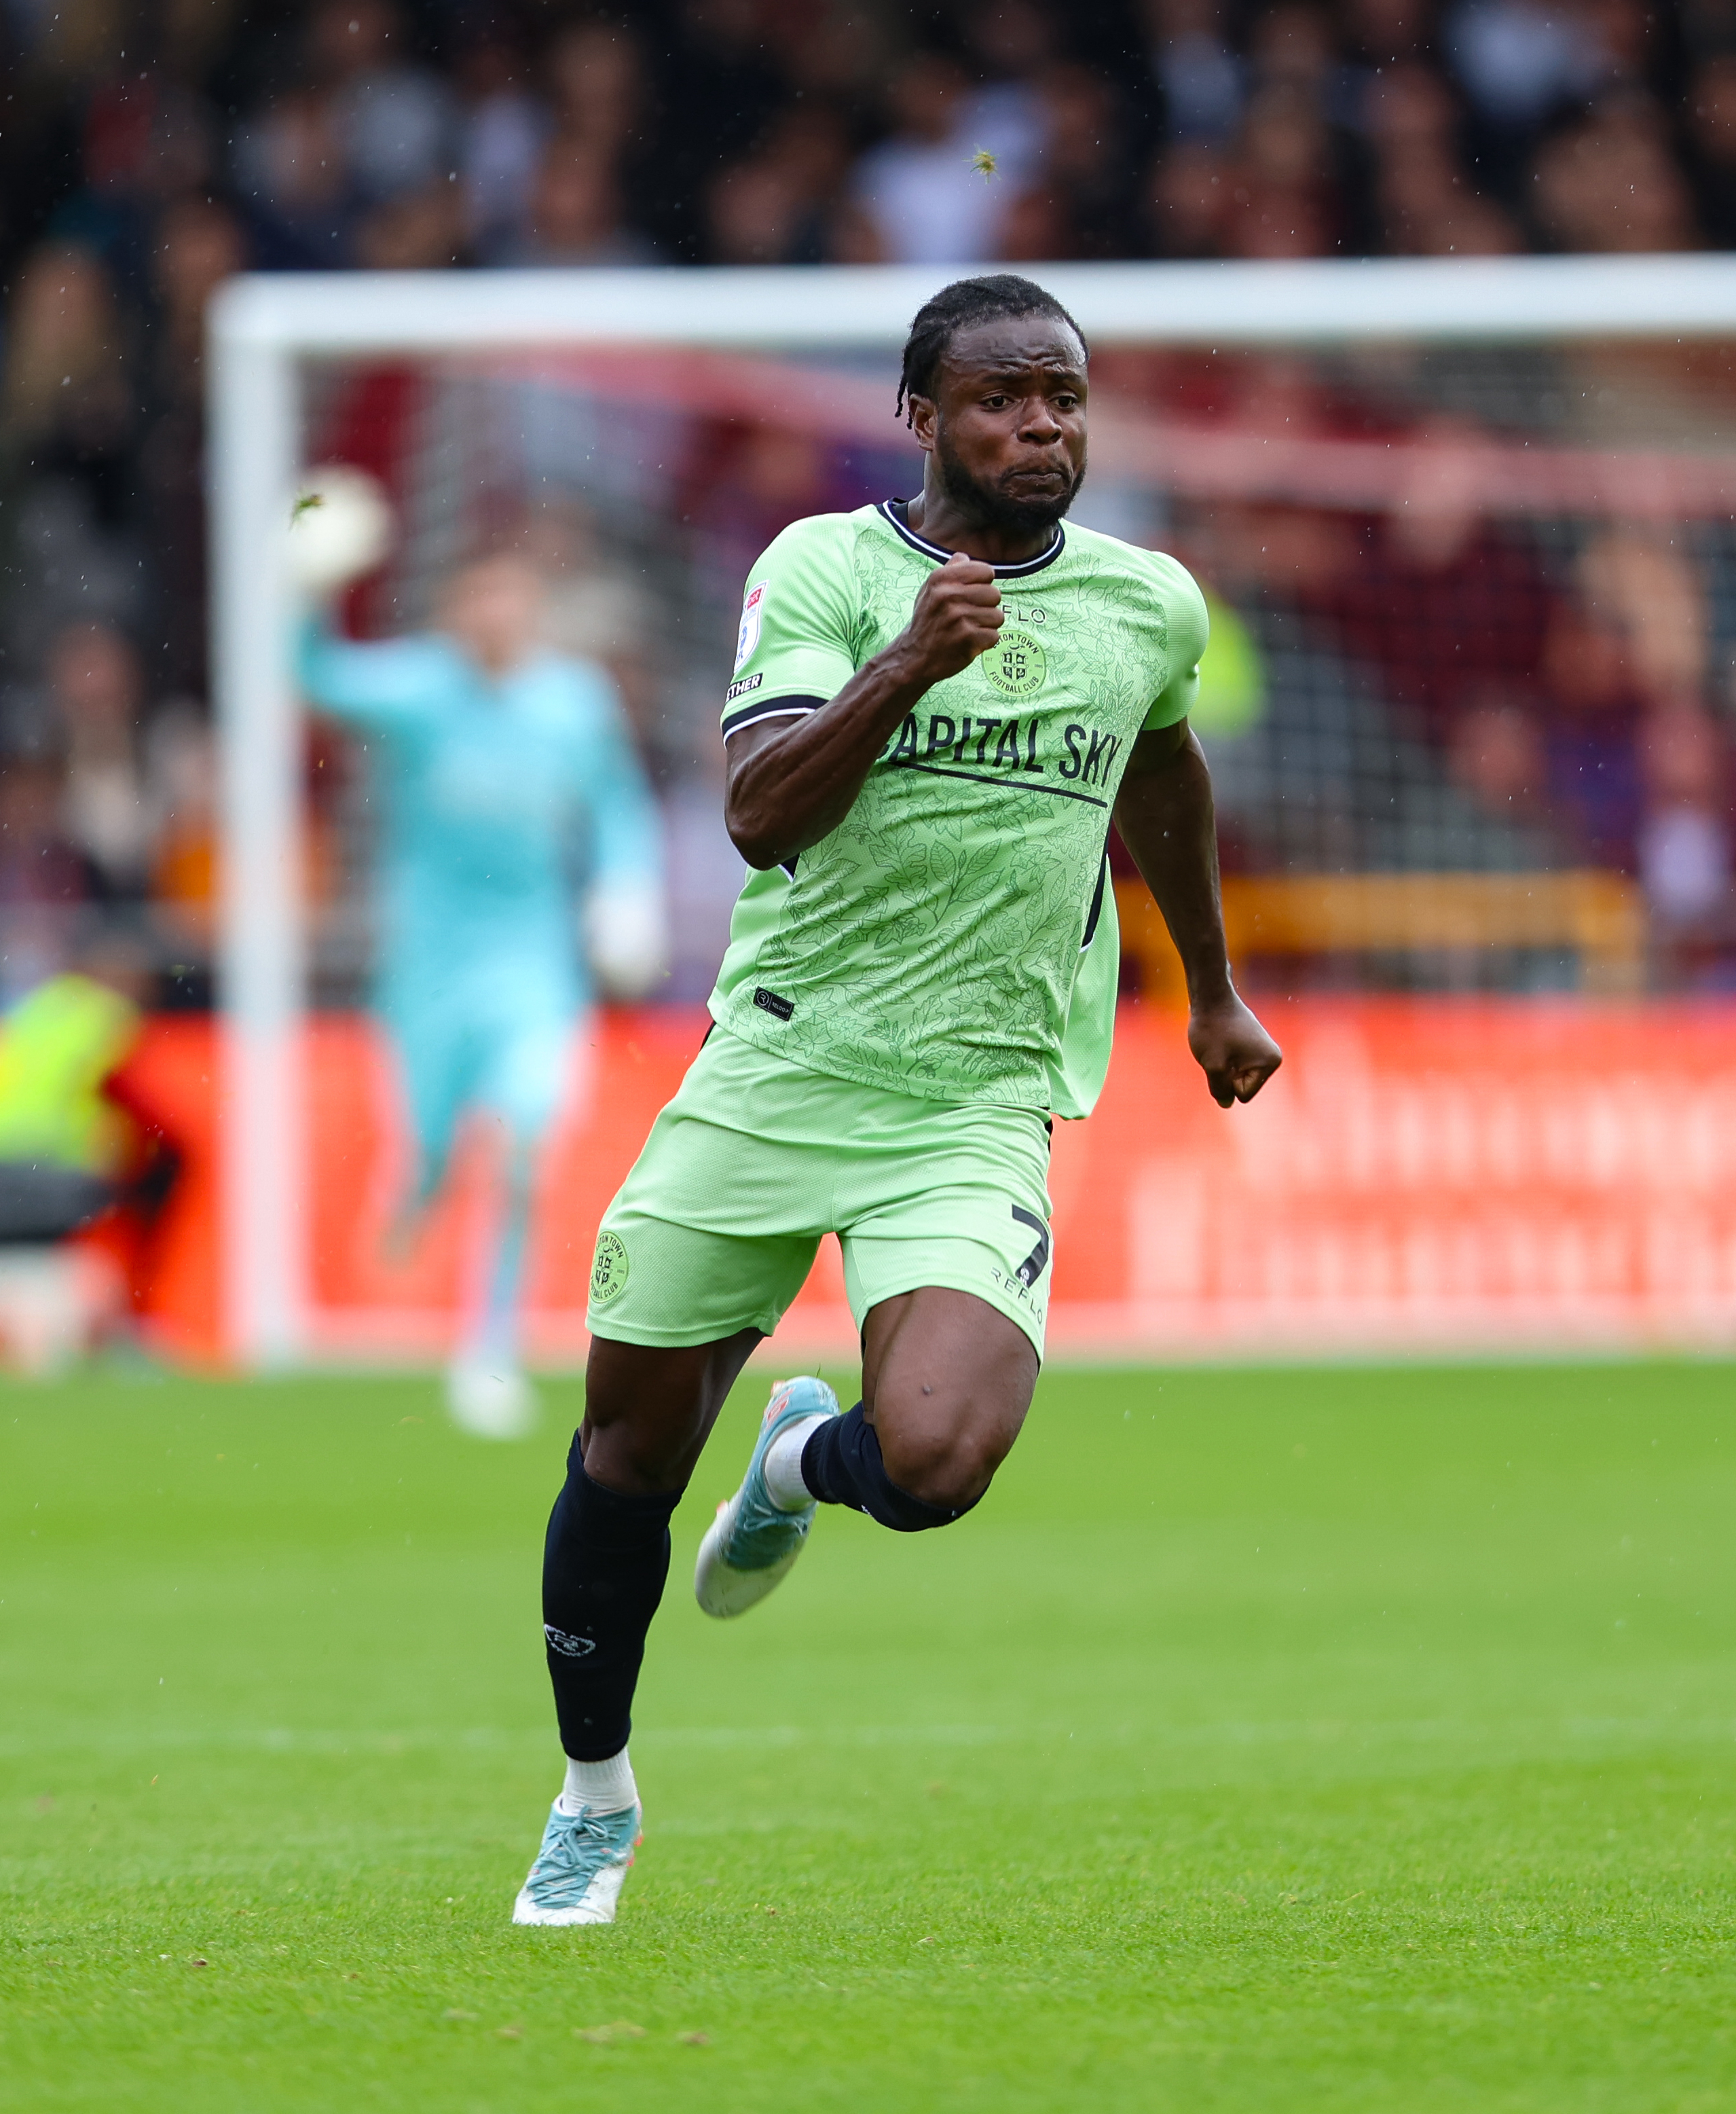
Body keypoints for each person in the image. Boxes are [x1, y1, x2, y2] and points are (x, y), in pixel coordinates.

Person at [515, 275, 1282, 1926]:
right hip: (778, 1064)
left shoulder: (1149, 602)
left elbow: (1163, 769)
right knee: (628, 1450)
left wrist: (1208, 986)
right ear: (923, 422)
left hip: (980, 1095)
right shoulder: (826, 569)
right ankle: (594, 1792)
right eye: (1004, 400)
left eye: (1065, 397)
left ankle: (801, 1464)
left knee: (936, 1456)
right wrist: (908, 666)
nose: (1044, 427)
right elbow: (756, 810)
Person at [297, 545, 666, 1439]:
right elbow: (312, 678)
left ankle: (488, 1350)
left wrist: (626, 890)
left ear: (530, 603)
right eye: (477, 594)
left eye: (507, 592)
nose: (493, 612)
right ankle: (416, 1180)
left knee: (517, 1148)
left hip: (533, 966)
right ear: (455, 609)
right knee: (432, 1148)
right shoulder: (420, 691)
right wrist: (307, 588)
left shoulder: (573, 703)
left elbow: (617, 804)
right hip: (426, 968)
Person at [0, 930, 182, 1368]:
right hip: (51, 1178)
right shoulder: (105, 1015)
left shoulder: (29, 1012)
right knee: (163, 1179)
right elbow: (125, 1097)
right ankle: (134, 1319)